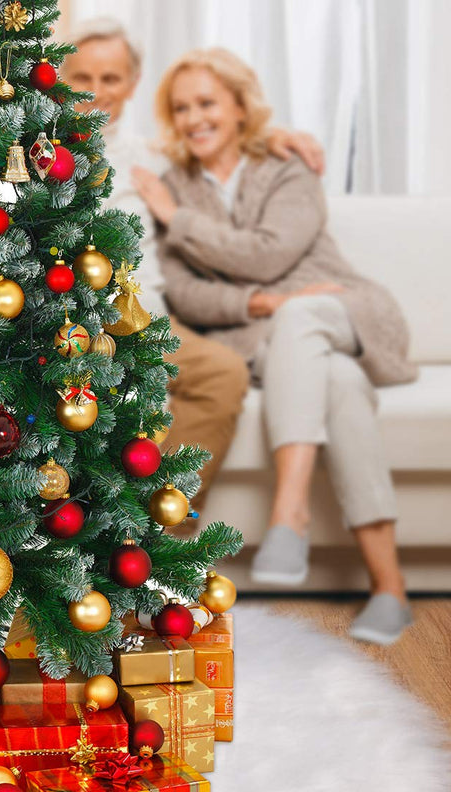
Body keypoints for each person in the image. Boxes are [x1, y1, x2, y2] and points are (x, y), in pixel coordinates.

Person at [135, 47, 417, 644]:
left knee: (305, 317)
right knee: (336, 381)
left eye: (207, 102)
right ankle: (390, 589)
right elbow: (184, 294)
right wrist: (263, 303)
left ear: (240, 106)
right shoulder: (173, 183)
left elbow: (270, 252)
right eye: (181, 108)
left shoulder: (289, 166)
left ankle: (289, 509)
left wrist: (179, 221)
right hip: (271, 338)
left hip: (344, 310)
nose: (193, 118)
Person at [62, 20, 323, 514]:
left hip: (149, 318)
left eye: (112, 78)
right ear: (61, 78)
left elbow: (219, 142)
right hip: (62, 317)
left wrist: (282, 136)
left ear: (133, 85)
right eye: (83, 78)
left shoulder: (155, 161)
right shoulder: (32, 151)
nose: (97, 92)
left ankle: (159, 525)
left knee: (222, 373)